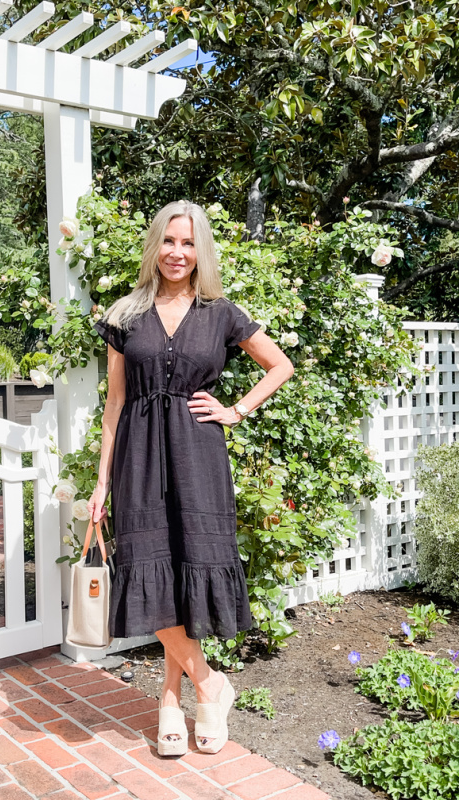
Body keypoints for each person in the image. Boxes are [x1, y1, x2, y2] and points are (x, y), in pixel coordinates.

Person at [87, 201, 294, 757]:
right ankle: (209, 685)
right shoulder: (124, 315)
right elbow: (114, 406)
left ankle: (171, 703)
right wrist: (101, 482)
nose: (177, 253)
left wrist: (237, 409)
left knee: (189, 569)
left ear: (201, 250)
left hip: (198, 455)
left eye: (188, 243)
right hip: (138, 459)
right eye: (169, 241)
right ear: (154, 246)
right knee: (148, 567)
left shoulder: (221, 312)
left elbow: (280, 366)